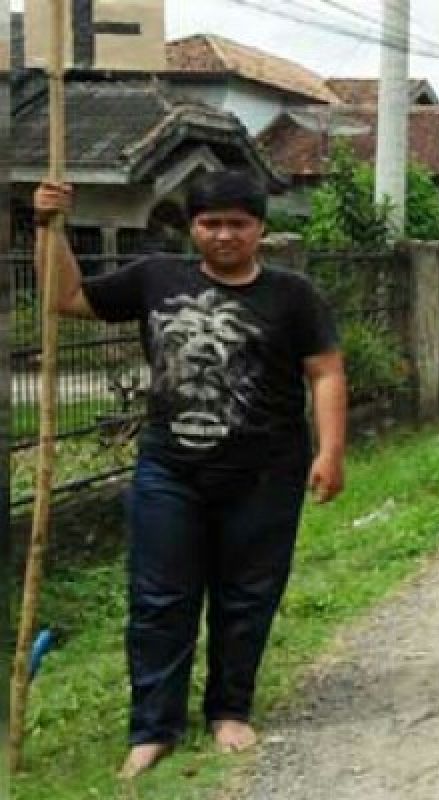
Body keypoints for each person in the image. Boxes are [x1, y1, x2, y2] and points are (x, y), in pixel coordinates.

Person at [32, 171, 348, 778]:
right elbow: (64, 298)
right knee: (158, 598)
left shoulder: (293, 294)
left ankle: (230, 710)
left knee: (247, 596)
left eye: (237, 223)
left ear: (260, 228)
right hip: (169, 470)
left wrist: (330, 452)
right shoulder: (154, 277)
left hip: (266, 471)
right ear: (192, 229)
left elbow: (326, 373)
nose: (223, 235)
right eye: (210, 223)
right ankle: (152, 728)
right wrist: (51, 226)